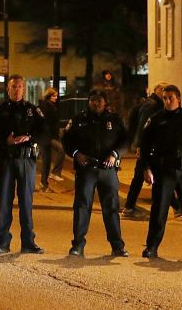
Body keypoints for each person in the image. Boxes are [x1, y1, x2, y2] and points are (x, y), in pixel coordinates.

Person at [140, 84, 182, 260]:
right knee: (159, 210)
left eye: (171, 97)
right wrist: (146, 168)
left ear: (178, 99)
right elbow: (145, 147)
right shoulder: (156, 120)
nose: (168, 101)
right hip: (164, 170)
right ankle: (152, 247)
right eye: (165, 98)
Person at [61, 89, 129, 257]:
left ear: (105, 103)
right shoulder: (79, 120)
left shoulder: (114, 120)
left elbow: (125, 140)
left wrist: (115, 155)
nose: (96, 103)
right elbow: (66, 140)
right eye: (92, 100)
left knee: (111, 208)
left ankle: (117, 245)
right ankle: (78, 244)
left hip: (108, 170)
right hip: (87, 169)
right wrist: (76, 154)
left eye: (99, 100)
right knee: (82, 207)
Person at [0, 74, 47, 254]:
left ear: (24, 89)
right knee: (5, 202)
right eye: (13, 86)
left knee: (26, 203)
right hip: (6, 160)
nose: (16, 89)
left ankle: (28, 242)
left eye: (19, 86)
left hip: (26, 161)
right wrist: (6, 141)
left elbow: (45, 135)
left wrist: (30, 138)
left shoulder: (33, 111)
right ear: (8, 89)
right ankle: (3, 242)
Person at [123, 83, 166, 216]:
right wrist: (140, 145)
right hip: (147, 147)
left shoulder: (155, 104)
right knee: (147, 175)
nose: (165, 93)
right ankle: (129, 207)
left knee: (142, 176)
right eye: (163, 90)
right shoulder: (152, 105)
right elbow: (143, 126)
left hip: (149, 146)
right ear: (156, 91)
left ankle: (129, 206)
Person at [36, 87, 64, 192]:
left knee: (46, 161)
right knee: (61, 149)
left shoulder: (52, 106)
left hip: (50, 136)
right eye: (53, 96)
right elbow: (44, 121)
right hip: (45, 136)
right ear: (48, 96)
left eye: (56, 96)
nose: (56, 98)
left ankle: (44, 184)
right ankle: (55, 173)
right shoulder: (45, 106)